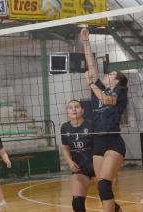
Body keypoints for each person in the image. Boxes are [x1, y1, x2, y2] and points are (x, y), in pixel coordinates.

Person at [81, 28, 128, 212]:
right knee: (102, 189)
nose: (106, 75)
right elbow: (92, 68)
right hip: (98, 141)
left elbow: (108, 100)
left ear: (116, 81)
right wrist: (86, 42)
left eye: (110, 75)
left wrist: (91, 84)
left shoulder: (120, 91)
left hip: (113, 141)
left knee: (105, 185)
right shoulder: (99, 87)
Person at [61, 100, 94, 212]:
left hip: (96, 166)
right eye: (70, 107)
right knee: (77, 203)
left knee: (106, 197)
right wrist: (70, 162)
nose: (74, 109)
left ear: (83, 110)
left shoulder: (91, 125)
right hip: (80, 168)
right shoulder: (65, 128)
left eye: (77, 106)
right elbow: (65, 149)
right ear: (67, 111)